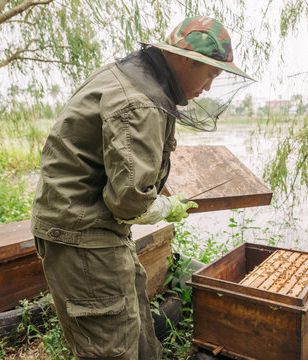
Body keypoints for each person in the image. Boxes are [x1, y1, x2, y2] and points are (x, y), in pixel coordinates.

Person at [31, 16, 252, 360]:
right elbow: (129, 202)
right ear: (184, 59)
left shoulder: (133, 78)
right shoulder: (141, 102)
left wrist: (161, 195)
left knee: (137, 331)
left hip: (96, 229)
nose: (209, 87)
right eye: (210, 73)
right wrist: (166, 208)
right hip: (83, 236)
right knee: (111, 347)